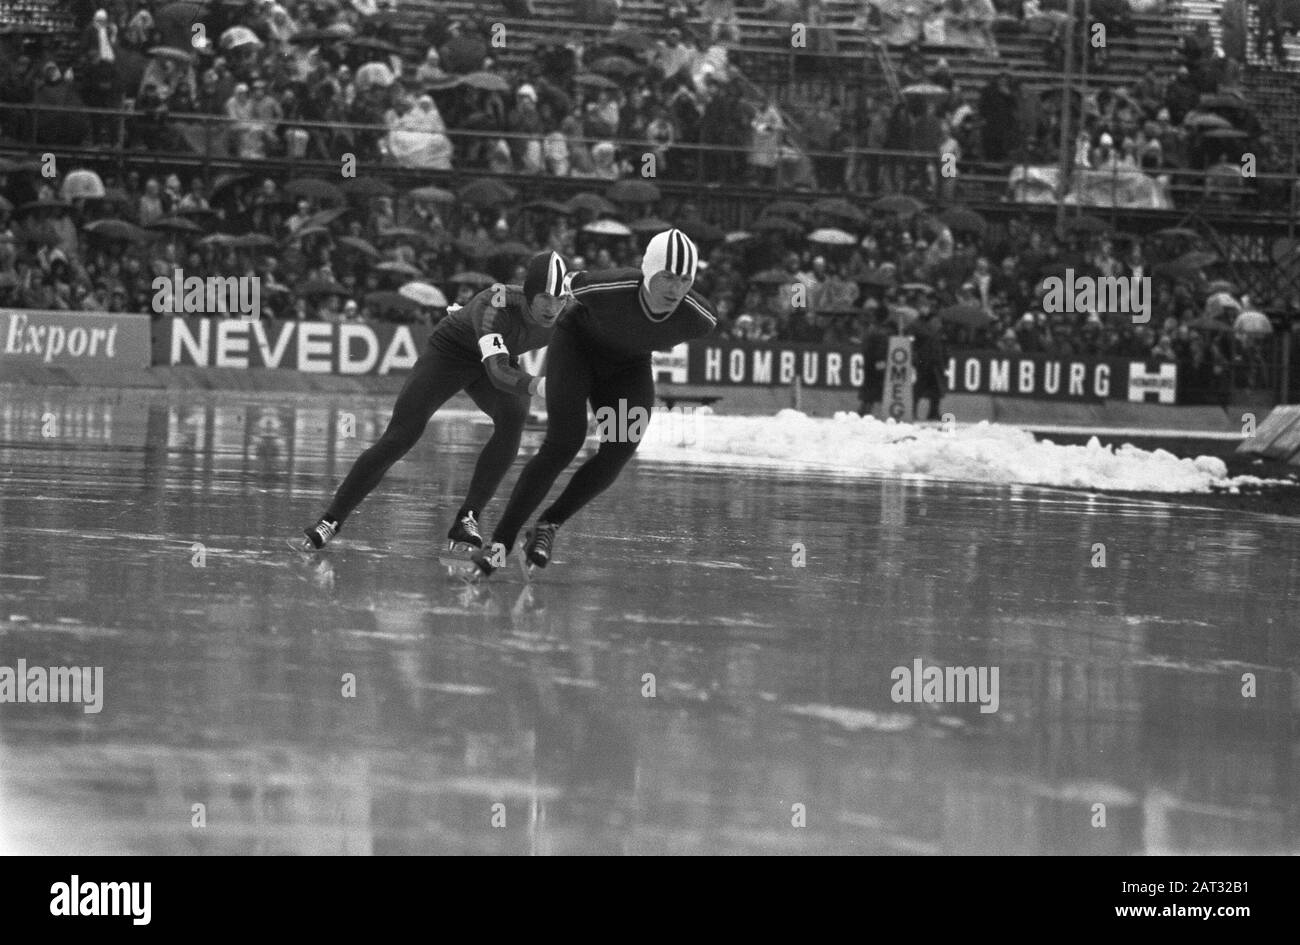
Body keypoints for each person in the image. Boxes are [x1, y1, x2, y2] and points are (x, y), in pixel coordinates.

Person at [473, 229, 718, 575]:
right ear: (648, 270)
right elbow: (558, 286)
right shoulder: (608, 286)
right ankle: (500, 543)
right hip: (577, 350)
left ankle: (548, 524)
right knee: (564, 443)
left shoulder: (699, 318)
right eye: (667, 276)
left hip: (628, 368)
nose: (675, 289)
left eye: (684, 279)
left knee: (620, 446)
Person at [293, 252, 569, 553]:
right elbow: (498, 373)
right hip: (453, 352)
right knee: (401, 436)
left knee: (513, 418)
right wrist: (541, 385)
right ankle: (331, 519)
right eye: (544, 297)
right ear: (528, 293)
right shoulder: (495, 303)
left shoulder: (572, 312)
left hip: (501, 355)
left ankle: (468, 519)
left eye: (559, 298)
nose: (552, 307)